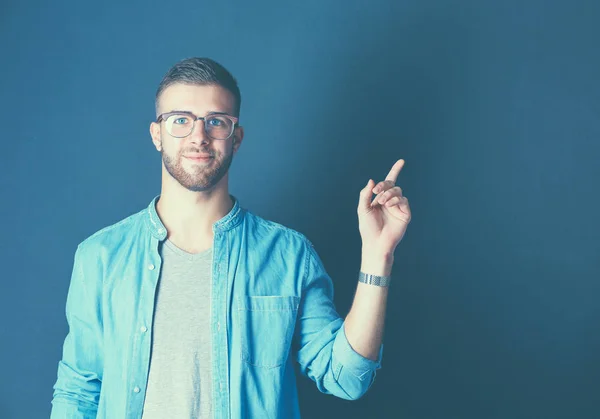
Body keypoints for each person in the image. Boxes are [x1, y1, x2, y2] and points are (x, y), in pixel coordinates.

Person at [50, 57, 412, 419]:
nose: (198, 136)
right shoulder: (100, 257)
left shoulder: (288, 255)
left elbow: (346, 378)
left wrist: (378, 256)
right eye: (181, 120)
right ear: (156, 134)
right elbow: (77, 392)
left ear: (236, 138)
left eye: (215, 122)